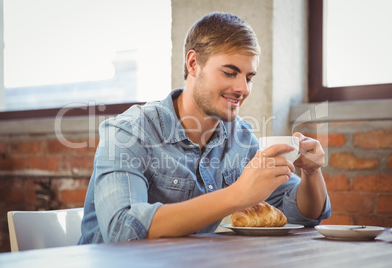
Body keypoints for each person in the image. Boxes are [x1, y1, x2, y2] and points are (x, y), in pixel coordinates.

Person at [78, 12, 330, 244]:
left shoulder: (240, 138)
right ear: (193, 64)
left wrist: (311, 173)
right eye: (230, 73)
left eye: (249, 77)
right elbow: (123, 230)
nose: (243, 88)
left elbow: (301, 214)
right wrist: (238, 194)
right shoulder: (129, 132)